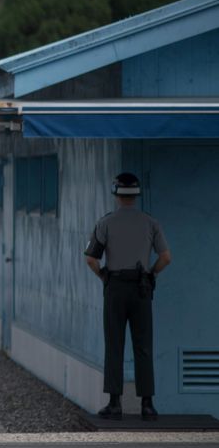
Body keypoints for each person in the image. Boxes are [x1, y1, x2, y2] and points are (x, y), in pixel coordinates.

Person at [84, 172, 172, 421]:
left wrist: (104, 276)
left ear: (116, 193)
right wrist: (151, 274)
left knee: (115, 344)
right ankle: (147, 404)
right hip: (141, 288)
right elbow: (166, 258)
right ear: (137, 194)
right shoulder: (150, 222)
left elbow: (91, 258)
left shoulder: (106, 223)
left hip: (115, 288)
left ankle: (115, 403)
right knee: (143, 345)